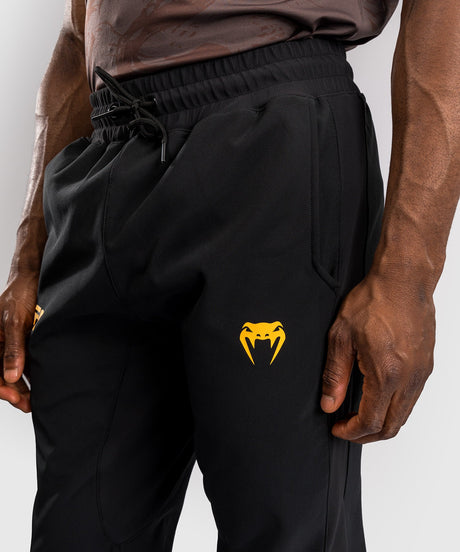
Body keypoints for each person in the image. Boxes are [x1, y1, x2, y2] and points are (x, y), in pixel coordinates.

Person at [0, 0, 458, 550]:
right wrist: (29, 254)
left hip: (270, 133)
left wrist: (408, 278)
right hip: (104, 154)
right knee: (74, 532)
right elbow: (78, 31)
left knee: (282, 531)